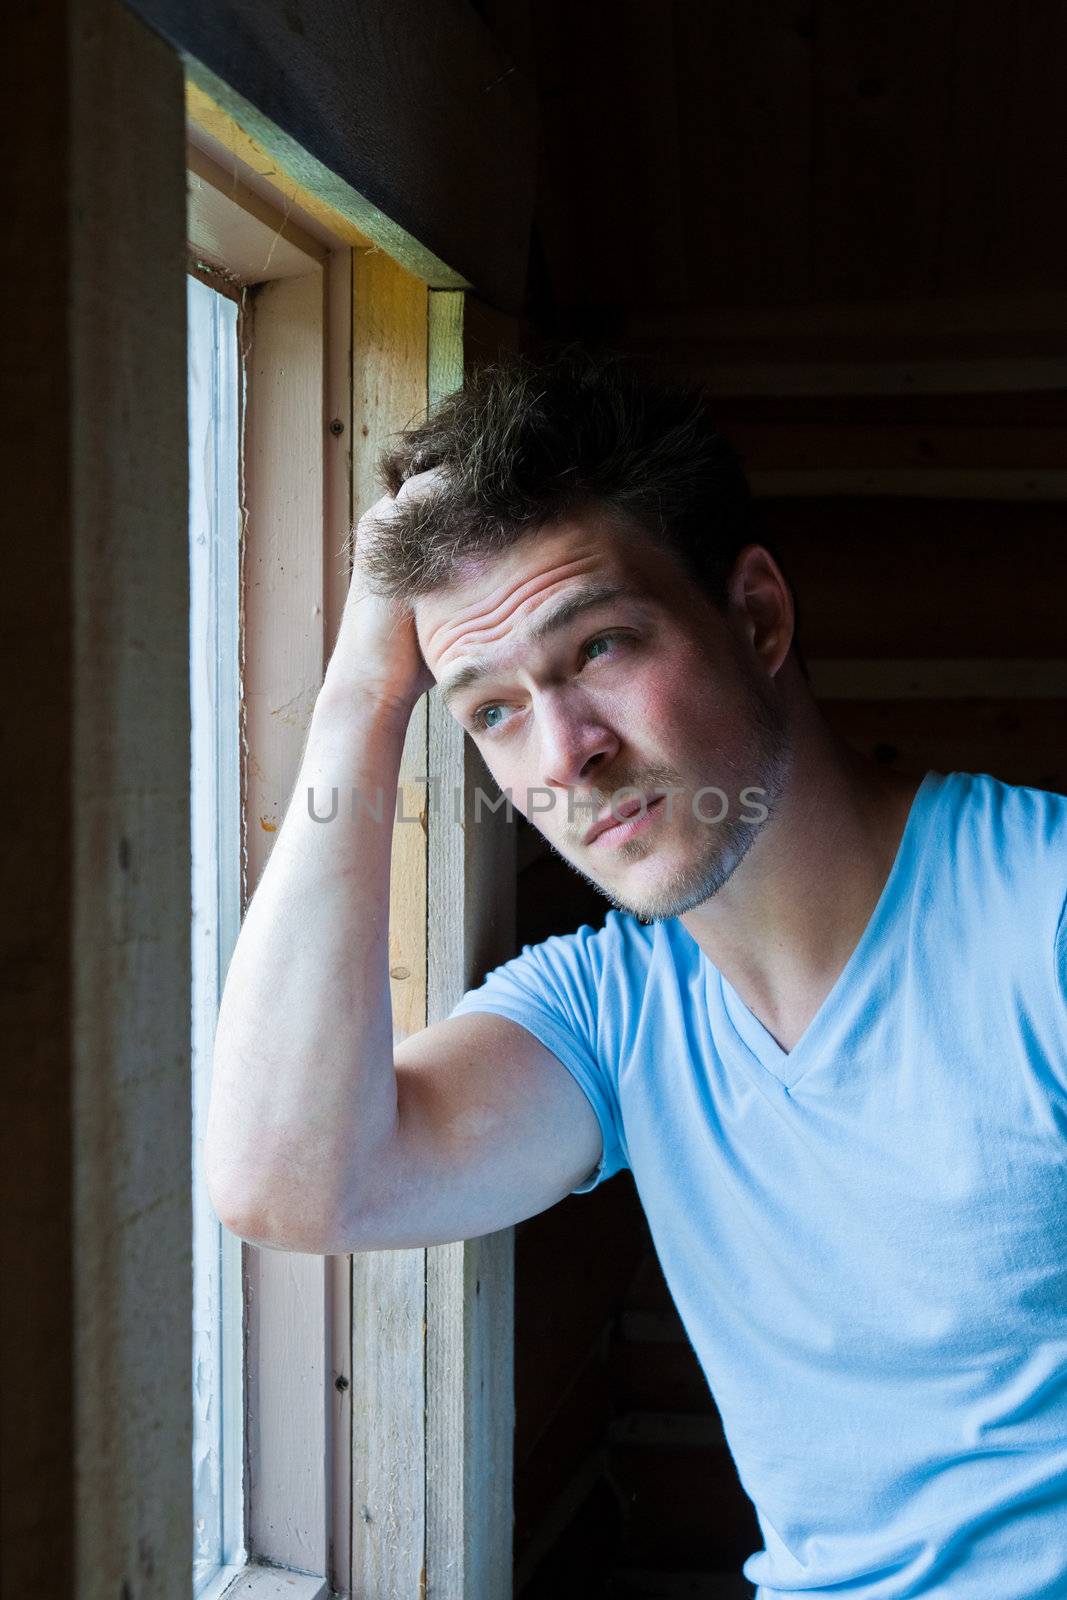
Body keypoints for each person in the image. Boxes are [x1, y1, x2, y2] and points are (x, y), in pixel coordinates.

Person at [207, 347, 1067, 1599]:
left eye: (598, 645)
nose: (567, 755)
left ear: (757, 617)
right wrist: (363, 696)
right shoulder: (612, 1014)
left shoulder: (1039, 918)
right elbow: (292, 1181)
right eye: (490, 708)